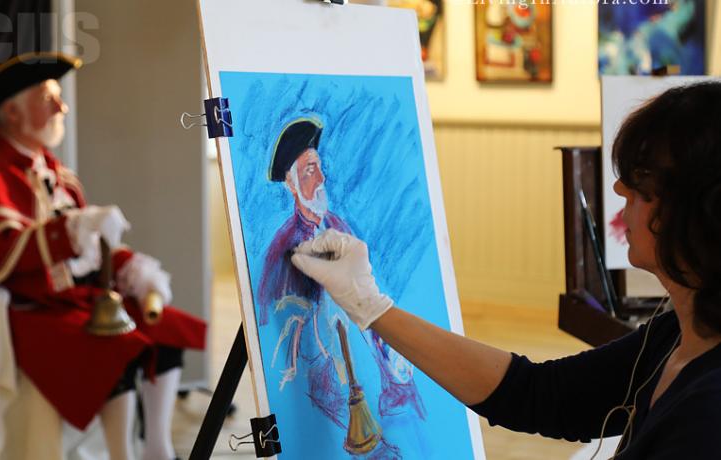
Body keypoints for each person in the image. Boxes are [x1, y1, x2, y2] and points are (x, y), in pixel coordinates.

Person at [290, 81, 721, 458]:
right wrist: (372, 306)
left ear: (702, 211)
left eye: (642, 179)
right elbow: (536, 395)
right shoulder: (676, 337)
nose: (619, 187)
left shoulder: (708, 412)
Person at [0, 52, 205, 460]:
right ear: (13, 112)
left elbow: (88, 251)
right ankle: (121, 453)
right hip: (28, 311)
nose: (62, 106)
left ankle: (156, 448)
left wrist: (131, 268)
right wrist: (69, 232)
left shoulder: (56, 172)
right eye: (47, 97)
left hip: (73, 300)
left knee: (166, 329)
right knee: (115, 346)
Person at [258, 117, 425, 435]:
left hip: (370, 363)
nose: (321, 177)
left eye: (319, 166)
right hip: (326, 380)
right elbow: (284, 326)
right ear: (291, 183)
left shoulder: (338, 227)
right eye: (309, 171)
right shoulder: (284, 247)